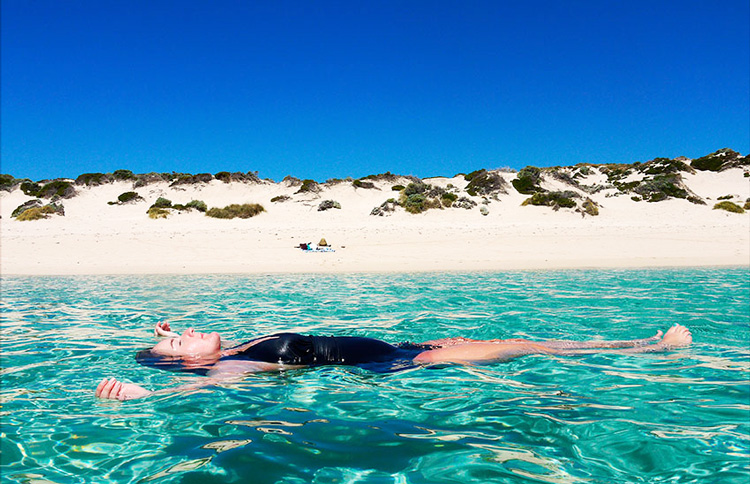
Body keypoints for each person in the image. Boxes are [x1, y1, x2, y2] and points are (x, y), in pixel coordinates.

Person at [95, 322, 692, 401]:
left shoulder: (240, 344)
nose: (189, 332)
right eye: (179, 344)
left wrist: (163, 338)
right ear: (188, 366)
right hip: (392, 366)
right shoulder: (229, 367)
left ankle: (639, 348)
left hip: (400, 352)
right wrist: (149, 393)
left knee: (519, 341)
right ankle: (647, 350)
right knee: (523, 345)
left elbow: (190, 350)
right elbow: (205, 387)